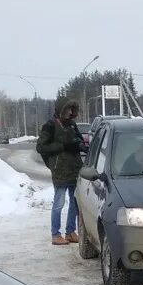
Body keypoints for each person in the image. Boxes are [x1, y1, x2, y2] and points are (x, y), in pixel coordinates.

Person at [38, 99, 85, 245]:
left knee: (74, 202)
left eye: (72, 109)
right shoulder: (50, 125)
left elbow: (79, 141)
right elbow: (41, 147)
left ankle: (70, 232)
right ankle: (55, 234)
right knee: (59, 203)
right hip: (60, 170)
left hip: (74, 168)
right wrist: (62, 146)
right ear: (61, 109)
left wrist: (79, 146)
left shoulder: (72, 124)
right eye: (68, 109)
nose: (70, 112)